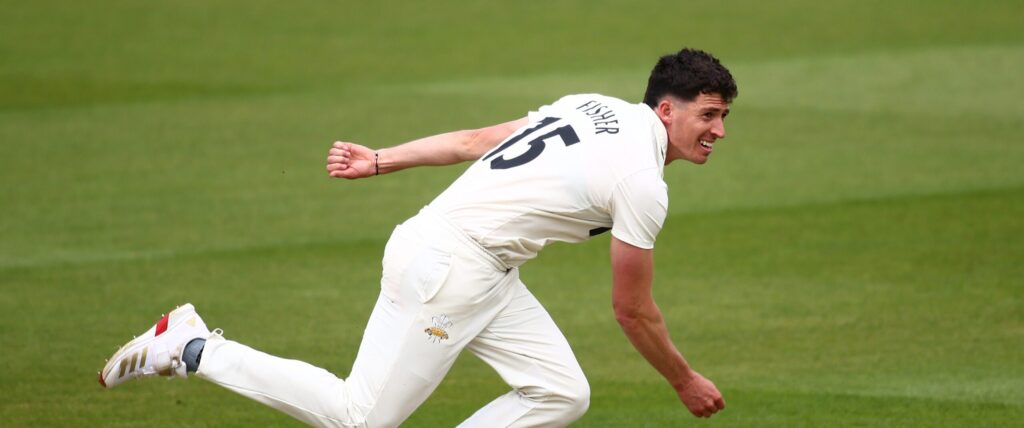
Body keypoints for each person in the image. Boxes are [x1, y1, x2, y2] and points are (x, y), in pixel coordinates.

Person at [99, 47, 737, 427]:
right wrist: (683, 379)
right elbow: (632, 310)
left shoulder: (591, 105)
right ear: (666, 109)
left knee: (560, 393)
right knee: (359, 418)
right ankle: (192, 348)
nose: (718, 131)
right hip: (449, 270)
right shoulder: (642, 182)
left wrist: (381, 159)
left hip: (478, 268)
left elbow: (474, 141)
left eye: (724, 116)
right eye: (707, 115)